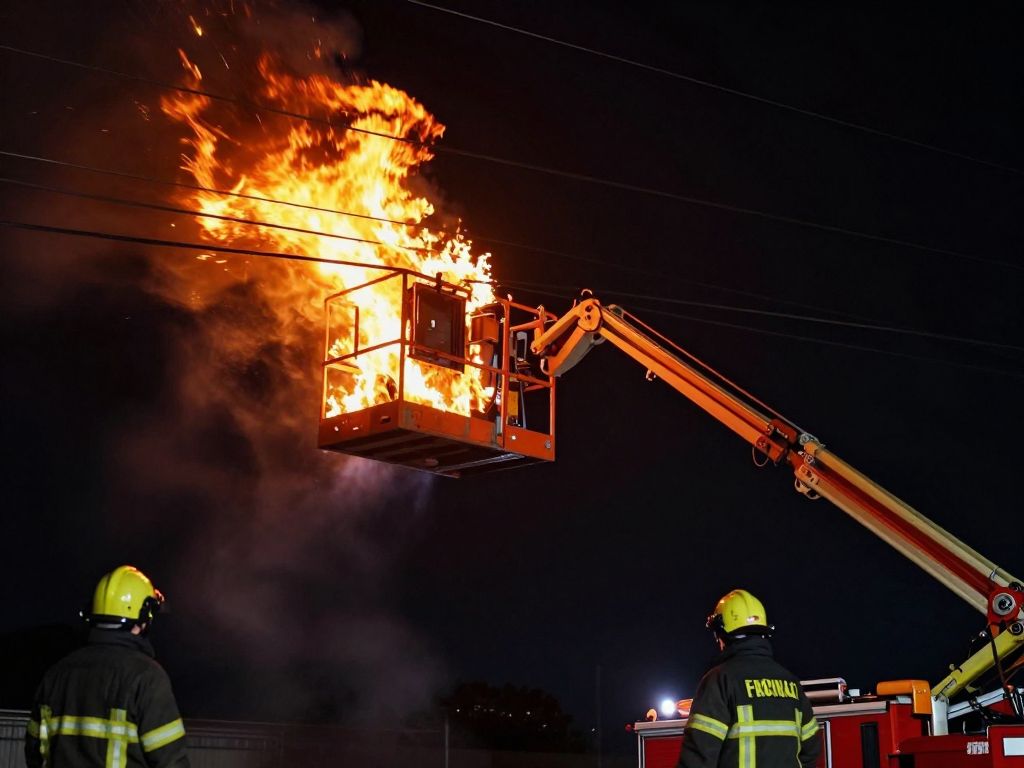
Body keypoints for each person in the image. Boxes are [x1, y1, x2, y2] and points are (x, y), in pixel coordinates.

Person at [25, 565, 190, 768]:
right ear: (143, 619)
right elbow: (171, 762)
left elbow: (34, 751)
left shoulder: (57, 674)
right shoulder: (147, 677)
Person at [677, 589, 820, 768]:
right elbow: (811, 749)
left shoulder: (720, 680)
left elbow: (698, 757)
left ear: (721, 634)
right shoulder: (791, 682)